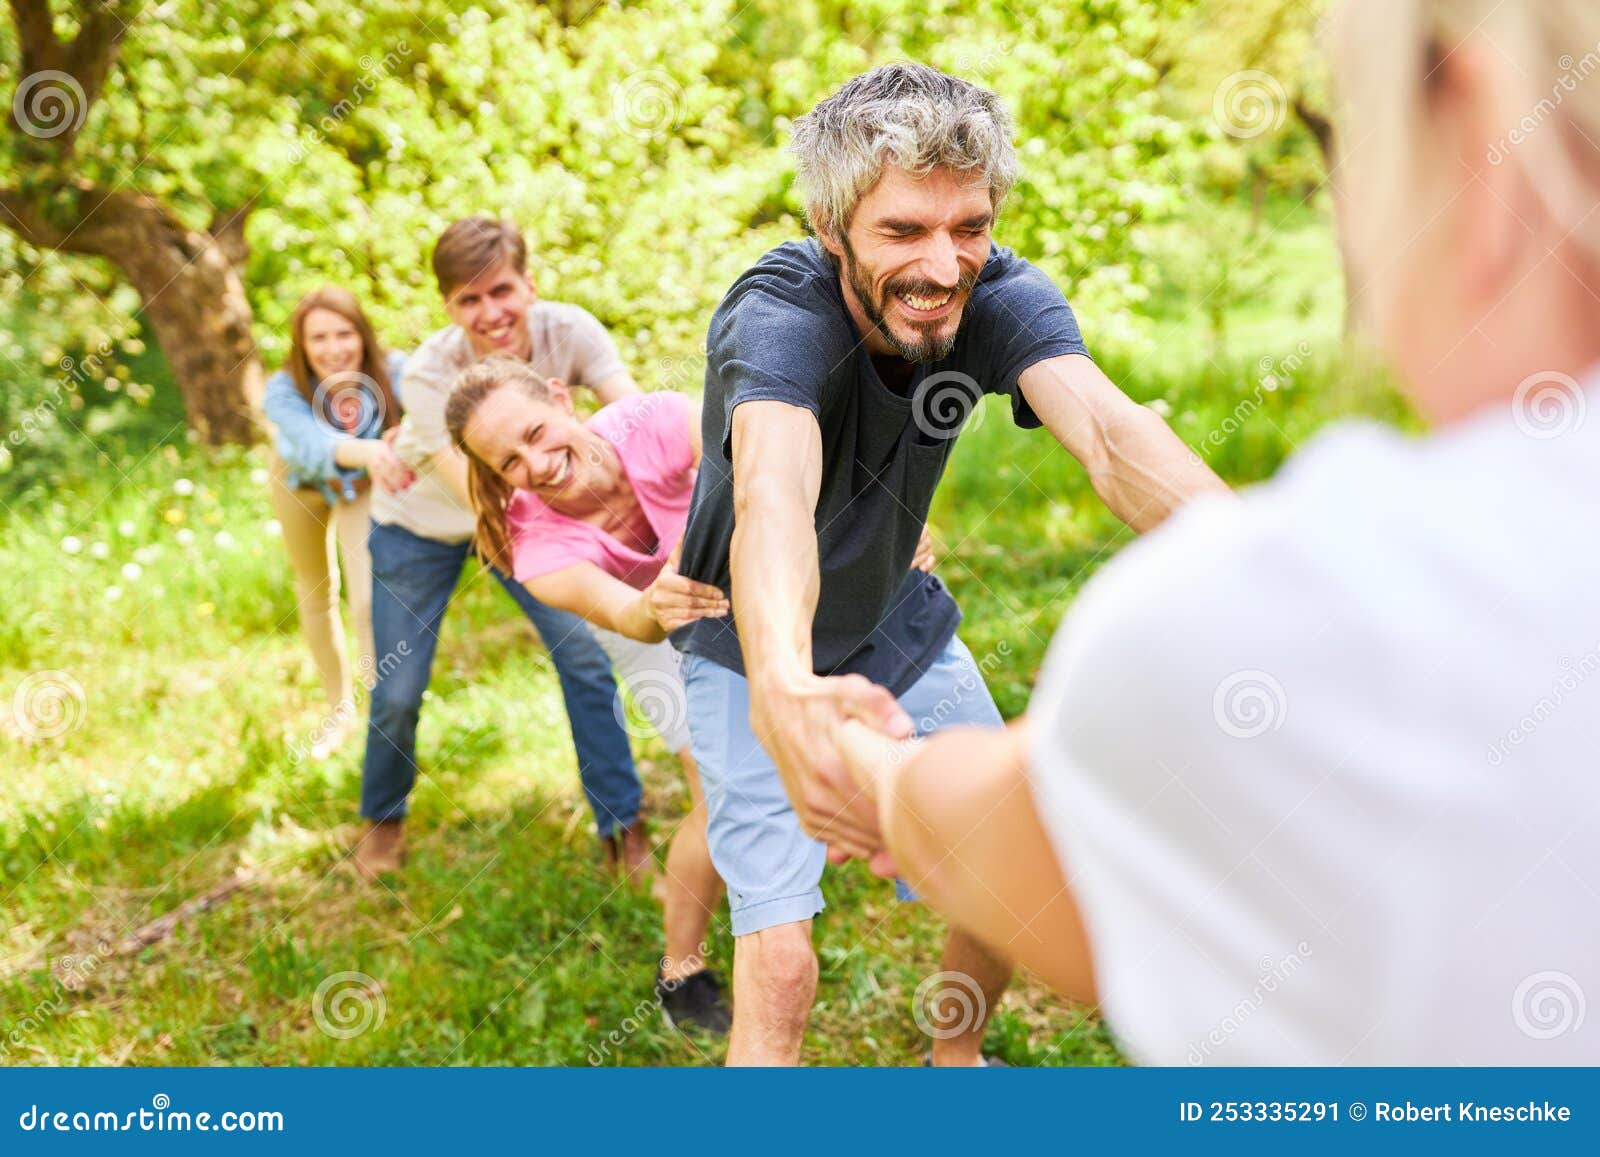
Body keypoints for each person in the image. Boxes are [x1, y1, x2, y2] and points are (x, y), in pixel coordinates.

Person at [835, 0, 1600, 1065]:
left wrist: (866, 766)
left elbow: (1001, 840)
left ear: (1485, 149)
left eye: (1350, 136)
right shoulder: (779, 317)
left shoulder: (1273, 628)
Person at [669, 62, 1230, 1065]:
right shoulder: (781, 313)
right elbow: (772, 492)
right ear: (830, 223)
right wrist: (786, 686)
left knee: (1018, 867)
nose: (943, 263)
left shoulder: (998, 294)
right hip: (752, 648)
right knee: (784, 966)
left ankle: (954, 1056)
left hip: (896, 623)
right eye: (903, 231)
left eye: (968, 225)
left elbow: (1107, 435)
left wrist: (1280, 573)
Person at [445, 358, 732, 1032]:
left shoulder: (654, 420)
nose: (537, 464)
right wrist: (666, 588)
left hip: (728, 572)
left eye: (538, 432)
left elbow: (767, 462)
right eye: (510, 461)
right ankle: (681, 969)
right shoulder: (534, 545)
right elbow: (632, 619)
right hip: (643, 622)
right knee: (720, 793)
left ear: (559, 397)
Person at [355, 217, 645, 882]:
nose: (491, 312)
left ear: (529, 284)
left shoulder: (569, 331)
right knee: (398, 687)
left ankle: (620, 826)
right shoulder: (428, 374)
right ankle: (382, 816)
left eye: (502, 290)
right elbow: (478, 498)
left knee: (585, 658)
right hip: (427, 526)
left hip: (532, 516)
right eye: (469, 299)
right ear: (448, 307)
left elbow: (632, 413)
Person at [264, 287, 413, 757]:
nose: (333, 348)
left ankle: (380, 716)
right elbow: (312, 446)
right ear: (302, 344)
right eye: (319, 337)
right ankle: (337, 710)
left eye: (344, 334)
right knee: (315, 589)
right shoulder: (285, 389)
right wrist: (373, 452)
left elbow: (433, 414)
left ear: (362, 334)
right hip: (301, 480)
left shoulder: (396, 372)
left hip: (361, 487)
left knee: (368, 597)